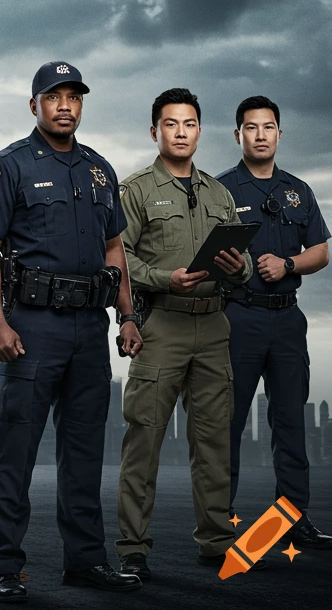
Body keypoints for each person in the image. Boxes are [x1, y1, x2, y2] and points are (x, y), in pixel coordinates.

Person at [0, 61, 143, 603]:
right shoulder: (10, 166)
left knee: (86, 451)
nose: (65, 105)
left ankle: (86, 561)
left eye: (73, 96)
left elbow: (115, 249)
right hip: (32, 326)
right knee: (17, 450)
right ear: (34, 105)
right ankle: (5, 565)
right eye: (53, 96)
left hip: (89, 328)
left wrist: (127, 314)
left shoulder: (99, 170)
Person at [114, 88, 249, 578]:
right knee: (144, 440)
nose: (181, 132)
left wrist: (239, 265)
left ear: (199, 130)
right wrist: (161, 278)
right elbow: (118, 257)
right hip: (162, 324)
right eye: (171, 124)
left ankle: (217, 543)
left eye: (189, 123)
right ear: (155, 132)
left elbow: (246, 264)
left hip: (214, 326)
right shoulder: (135, 191)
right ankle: (132, 547)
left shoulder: (219, 193)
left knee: (214, 441)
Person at [218, 95, 332, 549]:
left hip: (287, 319)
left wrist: (287, 264)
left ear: (279, 134)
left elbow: (321, 250)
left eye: (268, 127)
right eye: (251, 127)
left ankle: (290, 521)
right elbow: (206, 253)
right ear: (238, 135)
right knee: (226, 422)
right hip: (238, 317)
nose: (260, 135)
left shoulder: (298, 191)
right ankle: (219, 522)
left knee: (289, 423)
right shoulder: (220, 189)